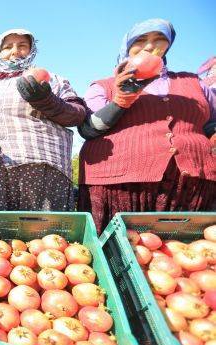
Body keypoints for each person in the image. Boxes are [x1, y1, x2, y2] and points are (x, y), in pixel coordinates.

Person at [77, 19, 216, 231]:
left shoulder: (194, 83)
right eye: (141, 40)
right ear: (128, 46)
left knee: (183, 251)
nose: (150, 46)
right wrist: (121, 100)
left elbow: (211, 124)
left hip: (191, 185)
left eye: (159, 40)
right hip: (121, 185)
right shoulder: (103, 86)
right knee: (121, 248)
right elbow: (87, 128)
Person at [0, 29, 86, 225]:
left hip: (42, 170)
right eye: (7, 47)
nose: (15, 51)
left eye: (22, 46)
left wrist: (46, 99)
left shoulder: (50, 80)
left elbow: (77, 114)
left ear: (32, 50)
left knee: (45, 242)